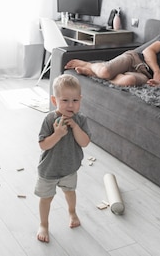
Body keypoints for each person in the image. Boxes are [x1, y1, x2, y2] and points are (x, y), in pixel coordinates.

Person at [65, 10, 160, 86]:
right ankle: (91, 65)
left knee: (127, 81)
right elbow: (148, 51)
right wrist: (157, 71)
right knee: (105, 71)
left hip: (145, 75)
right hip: (135, 59)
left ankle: (93, 73)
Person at [35, 74, 91, 243]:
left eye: (75, 100)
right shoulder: (50, 119)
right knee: (46, 198)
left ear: (80, 100)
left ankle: (72, 212)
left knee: (70, 192)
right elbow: (43, 145)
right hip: (49, 169)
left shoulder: (80, 120)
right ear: (54, 100)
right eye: (65, 100)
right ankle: (44, 224)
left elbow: (85, 142)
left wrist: (74, 127)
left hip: (69, 168)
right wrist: (58, 134)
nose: (70, 105)